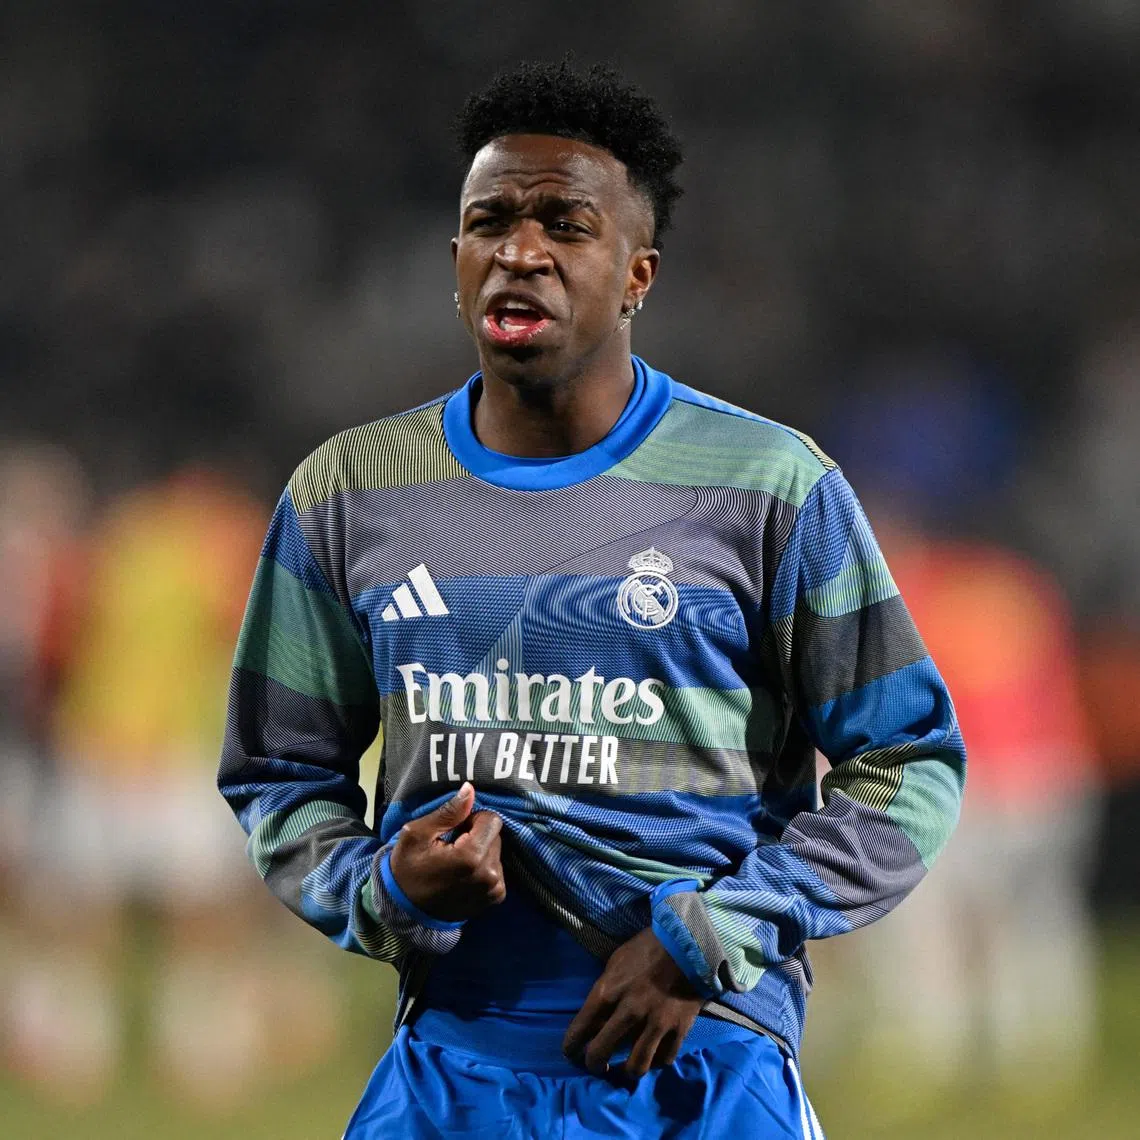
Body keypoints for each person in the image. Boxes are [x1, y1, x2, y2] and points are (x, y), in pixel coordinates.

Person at [218, 59, 966, 1139]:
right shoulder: (350, 493)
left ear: (636, 274)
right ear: (457, 258)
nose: (520, 252)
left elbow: (910, 760)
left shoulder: (769, 486)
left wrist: (711, 937)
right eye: (490, 222)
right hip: (453, 1065)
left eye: (565, 224)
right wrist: (384, 890)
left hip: (704, 1060)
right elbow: (278, 773)